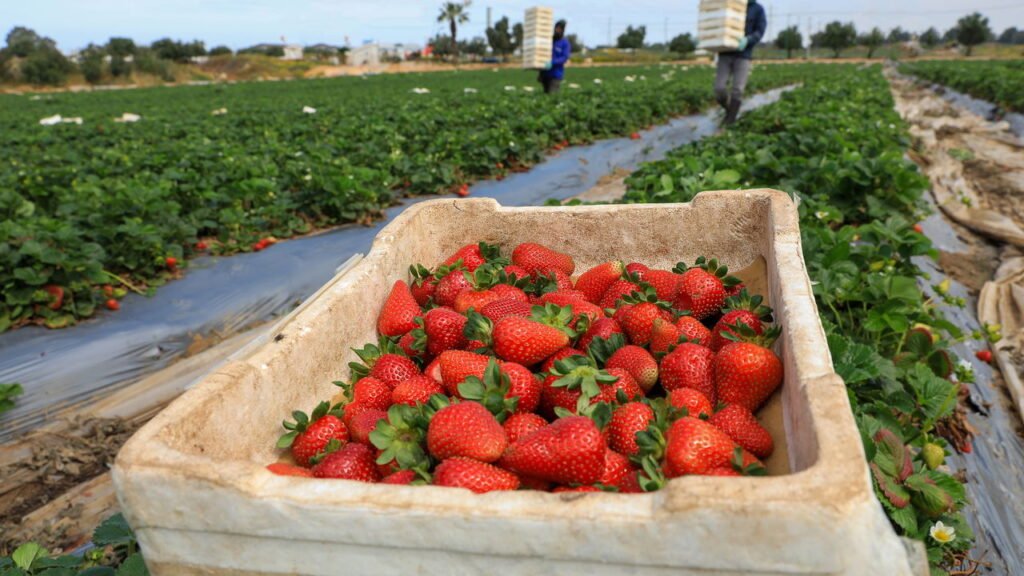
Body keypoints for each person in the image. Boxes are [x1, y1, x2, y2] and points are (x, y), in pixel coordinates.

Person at [714, 0, 767, 124]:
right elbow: (718, 24)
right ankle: (729, 111)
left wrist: (748, 40)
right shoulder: (729, 5)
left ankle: (730, 121)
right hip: (725, 53)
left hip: (743, 54)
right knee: (719, 88)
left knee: (738, 89)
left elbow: (760, 31)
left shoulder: (758, 9)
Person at [539, 20, 571, 94]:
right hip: (545, 74)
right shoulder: (550, 41)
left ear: (563, 30)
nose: (557, 30)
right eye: (556, 28)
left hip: (555, 75)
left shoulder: (565, 43)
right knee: (545, 96)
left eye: (559, 29)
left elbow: (564, 58)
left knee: (552, 95)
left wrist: (552, 62)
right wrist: (540, 73)